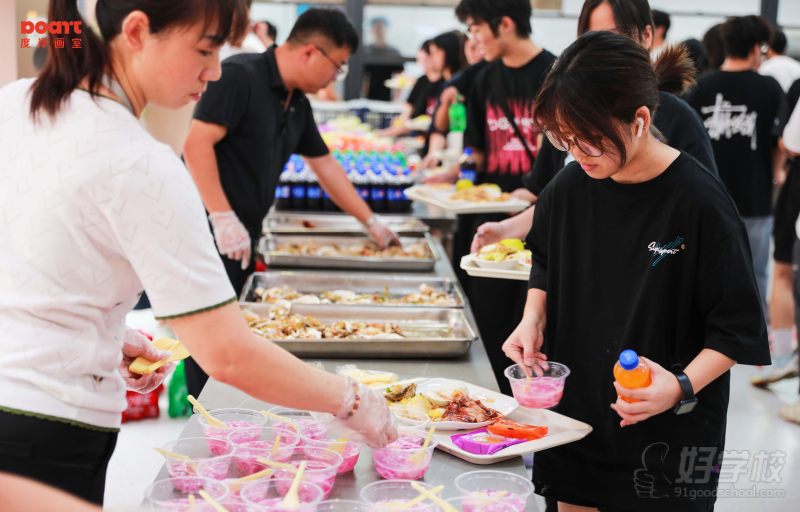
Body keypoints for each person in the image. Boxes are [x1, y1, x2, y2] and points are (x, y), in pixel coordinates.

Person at [0, 0, 396, 505]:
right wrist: (350, 398)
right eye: (205, 50)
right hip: (47, 424)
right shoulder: (141, 162)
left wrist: (99, 328)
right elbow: (228, 354)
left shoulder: (15, 101)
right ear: (138, 31)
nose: (213, 71)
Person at [504, 31, 770, 512]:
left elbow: (737, 328)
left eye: (587, 141)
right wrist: (533, 316)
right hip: (578, 417)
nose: (576, 154)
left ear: (640, 121)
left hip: (668, 433)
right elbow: (544, 256)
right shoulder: (569, 187)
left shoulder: (700, 202)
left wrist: (680, 385)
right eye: (562, 140)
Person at [183, 8, 400, 397]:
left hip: (244, 234)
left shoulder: (295, 102)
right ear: (311, 52)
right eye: (338, 67)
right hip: (205, 233)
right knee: (209, 343)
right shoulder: (240, 76)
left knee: (235, 337)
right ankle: (208, 423)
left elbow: (326, 167)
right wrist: (221, 217)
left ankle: (234, 413)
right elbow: (196, 143)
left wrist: (372, 222)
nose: (336, 77)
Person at [471, 0, 717, 258]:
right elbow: (555, 198)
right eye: (589, 38)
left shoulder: (678, 120)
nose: (579, 151)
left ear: (646, 36)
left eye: (610, 36)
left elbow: (700, 216)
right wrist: (506, 226)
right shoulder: (568, 116)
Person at [437, 0, 557, 396]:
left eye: (475, 29)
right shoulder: (484, 78)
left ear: (504, 24)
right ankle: (489, 408)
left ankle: (527, 410)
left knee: (535, 331)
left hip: (542, 220)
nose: (473, 39)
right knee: (488, 321)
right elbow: (476, 148)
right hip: (488, 221)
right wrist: (458, 171)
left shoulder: (557, 75)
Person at [685, 15, 787, 320]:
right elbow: (778, 141)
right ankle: (754, 338)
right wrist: (777, 171)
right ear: (757, 47)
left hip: (706, 196)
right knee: (756, 271)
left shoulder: (700, 87)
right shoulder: (769, 88)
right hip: (755, 196)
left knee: (703, 270)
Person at [421, 34, 488, 170]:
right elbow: (438, 127)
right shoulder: (454, 83)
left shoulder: (474, 79)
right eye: (469, 46)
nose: (431, 59)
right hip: (457, 156)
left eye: (435, 53)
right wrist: (433, 154)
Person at [379, 40, 444, 139]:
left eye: (425, 60)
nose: (421, 64)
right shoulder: (421, 81)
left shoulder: (445, 83)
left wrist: (389, 132)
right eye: (420, 60)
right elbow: (408, 112)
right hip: (414, 136)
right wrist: (391, 130)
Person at [363, 16, 404, 102]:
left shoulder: (394, 53)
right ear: (372, 30)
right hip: (368, 98)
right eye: (376, 28)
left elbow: (400, 78)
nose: (379, 31)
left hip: (388, 97)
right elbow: (362, 78)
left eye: (381, 28)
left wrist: (397, 98)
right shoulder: (366, 51)